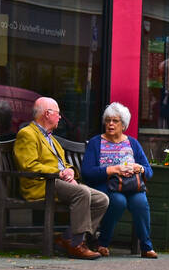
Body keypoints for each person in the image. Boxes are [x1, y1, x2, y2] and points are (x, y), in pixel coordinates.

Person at [13, 96, 108, 260]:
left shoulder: (51, 138)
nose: (60, 117)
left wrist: (69, 171)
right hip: (42, 184)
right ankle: (77, 244)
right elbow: (28, 165)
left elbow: (63, 164)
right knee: (83, 192)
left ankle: (67, 237)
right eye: (58, 113)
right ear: (47, 114)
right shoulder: (27, 134)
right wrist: (58, 173)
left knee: (102, 199)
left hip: (58, 183)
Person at [82, 102, 157, 258]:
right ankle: (102, 243)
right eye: (108, 120)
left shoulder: (132, 143)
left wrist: (139, 168)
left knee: (140, 202)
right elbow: (87, 172)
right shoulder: (96, 143)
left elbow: (148, 172)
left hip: (130, 186)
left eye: (115, 121)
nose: (110, 124)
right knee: (118, 201)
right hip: (105, 185)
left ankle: (146, 247)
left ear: (123, 125)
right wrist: (113, 170)